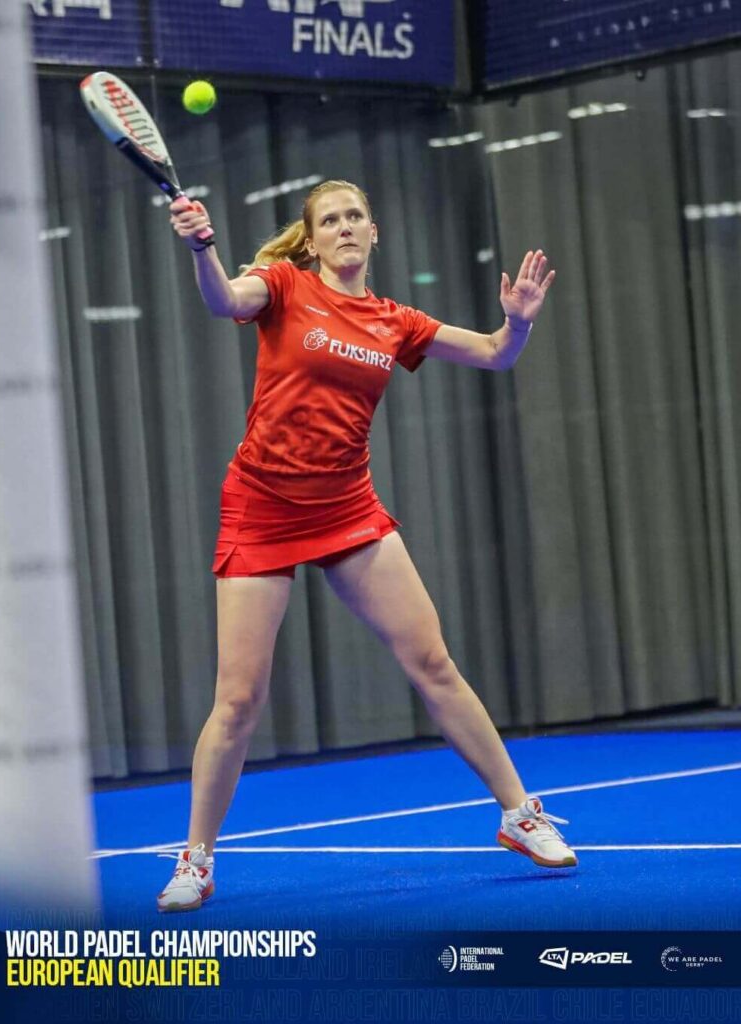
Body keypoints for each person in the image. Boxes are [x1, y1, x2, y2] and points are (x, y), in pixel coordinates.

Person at [157, 179, 575, 913]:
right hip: (261, 506)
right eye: (330, 220)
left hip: (347, 507)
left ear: (373, 232)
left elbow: (492, 354)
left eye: (355, 216)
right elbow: (223, 300)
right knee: (239, 699)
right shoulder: (282, 286)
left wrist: (517, 325)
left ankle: (519, 814)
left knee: (433, 662)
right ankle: (195, 858)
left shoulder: (394, 320)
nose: (344, 227)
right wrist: (201, 248)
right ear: (312, 239)